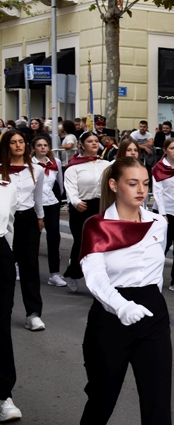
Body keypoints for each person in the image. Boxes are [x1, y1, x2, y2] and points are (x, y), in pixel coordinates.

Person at [73, 157, 174, 425]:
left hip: (151, 315)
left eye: (145, 183)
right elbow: (95, 278)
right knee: (103, 396)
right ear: (114, 185)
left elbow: (154, 274)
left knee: (156, 402)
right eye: (133, 183)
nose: (141, 190)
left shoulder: (157, 224)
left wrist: (147, 306)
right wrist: (120, 306)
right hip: (110, 316)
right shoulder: (96, 226)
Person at [2, 130, 45, 331]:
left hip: (27, 219)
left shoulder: (36, 170)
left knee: (30, 266)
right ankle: (4, 311)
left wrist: (40, 217)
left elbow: (38, 197)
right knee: (6, 268)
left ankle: (33, 314)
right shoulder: (1, 169)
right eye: (13, 142)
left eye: (21, 142)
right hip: (4, 223)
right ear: (6, 146)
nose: (18, 145)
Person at [63, 132, 112, 293]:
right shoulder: (74, 167)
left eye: (96, 141)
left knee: (101, 245)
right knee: (82, 243)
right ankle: (73, 272)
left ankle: (100, 281)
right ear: (81, 144)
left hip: (101, 206)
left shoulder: (106, 164)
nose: (93, 143)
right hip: (82, 208)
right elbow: (70, 189)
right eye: (89, 141)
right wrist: (76, 202)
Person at [153, 137, 174, 294]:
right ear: (165, 150)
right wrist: (163, 214)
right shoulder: (158, 168)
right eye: (172, 148)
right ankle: (153, 277)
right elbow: (158, 193)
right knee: (162, 246)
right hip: (163, 212)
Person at [33, 135, 66, 289]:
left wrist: (58, 200)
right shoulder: (30, 164)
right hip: (33, 205)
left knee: (54, 238)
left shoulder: (55, 163)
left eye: (45, 145)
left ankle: (54, 273)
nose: (42, 148)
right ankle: (24, 268)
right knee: (32, 239)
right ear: (34, 148)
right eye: (39, 145)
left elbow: (60, 183)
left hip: (51, 203)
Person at [0, 170, 20, 421]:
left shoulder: (7, 186)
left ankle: (4, 395)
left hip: (1, 251)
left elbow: (10, 224)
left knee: (1, 327)